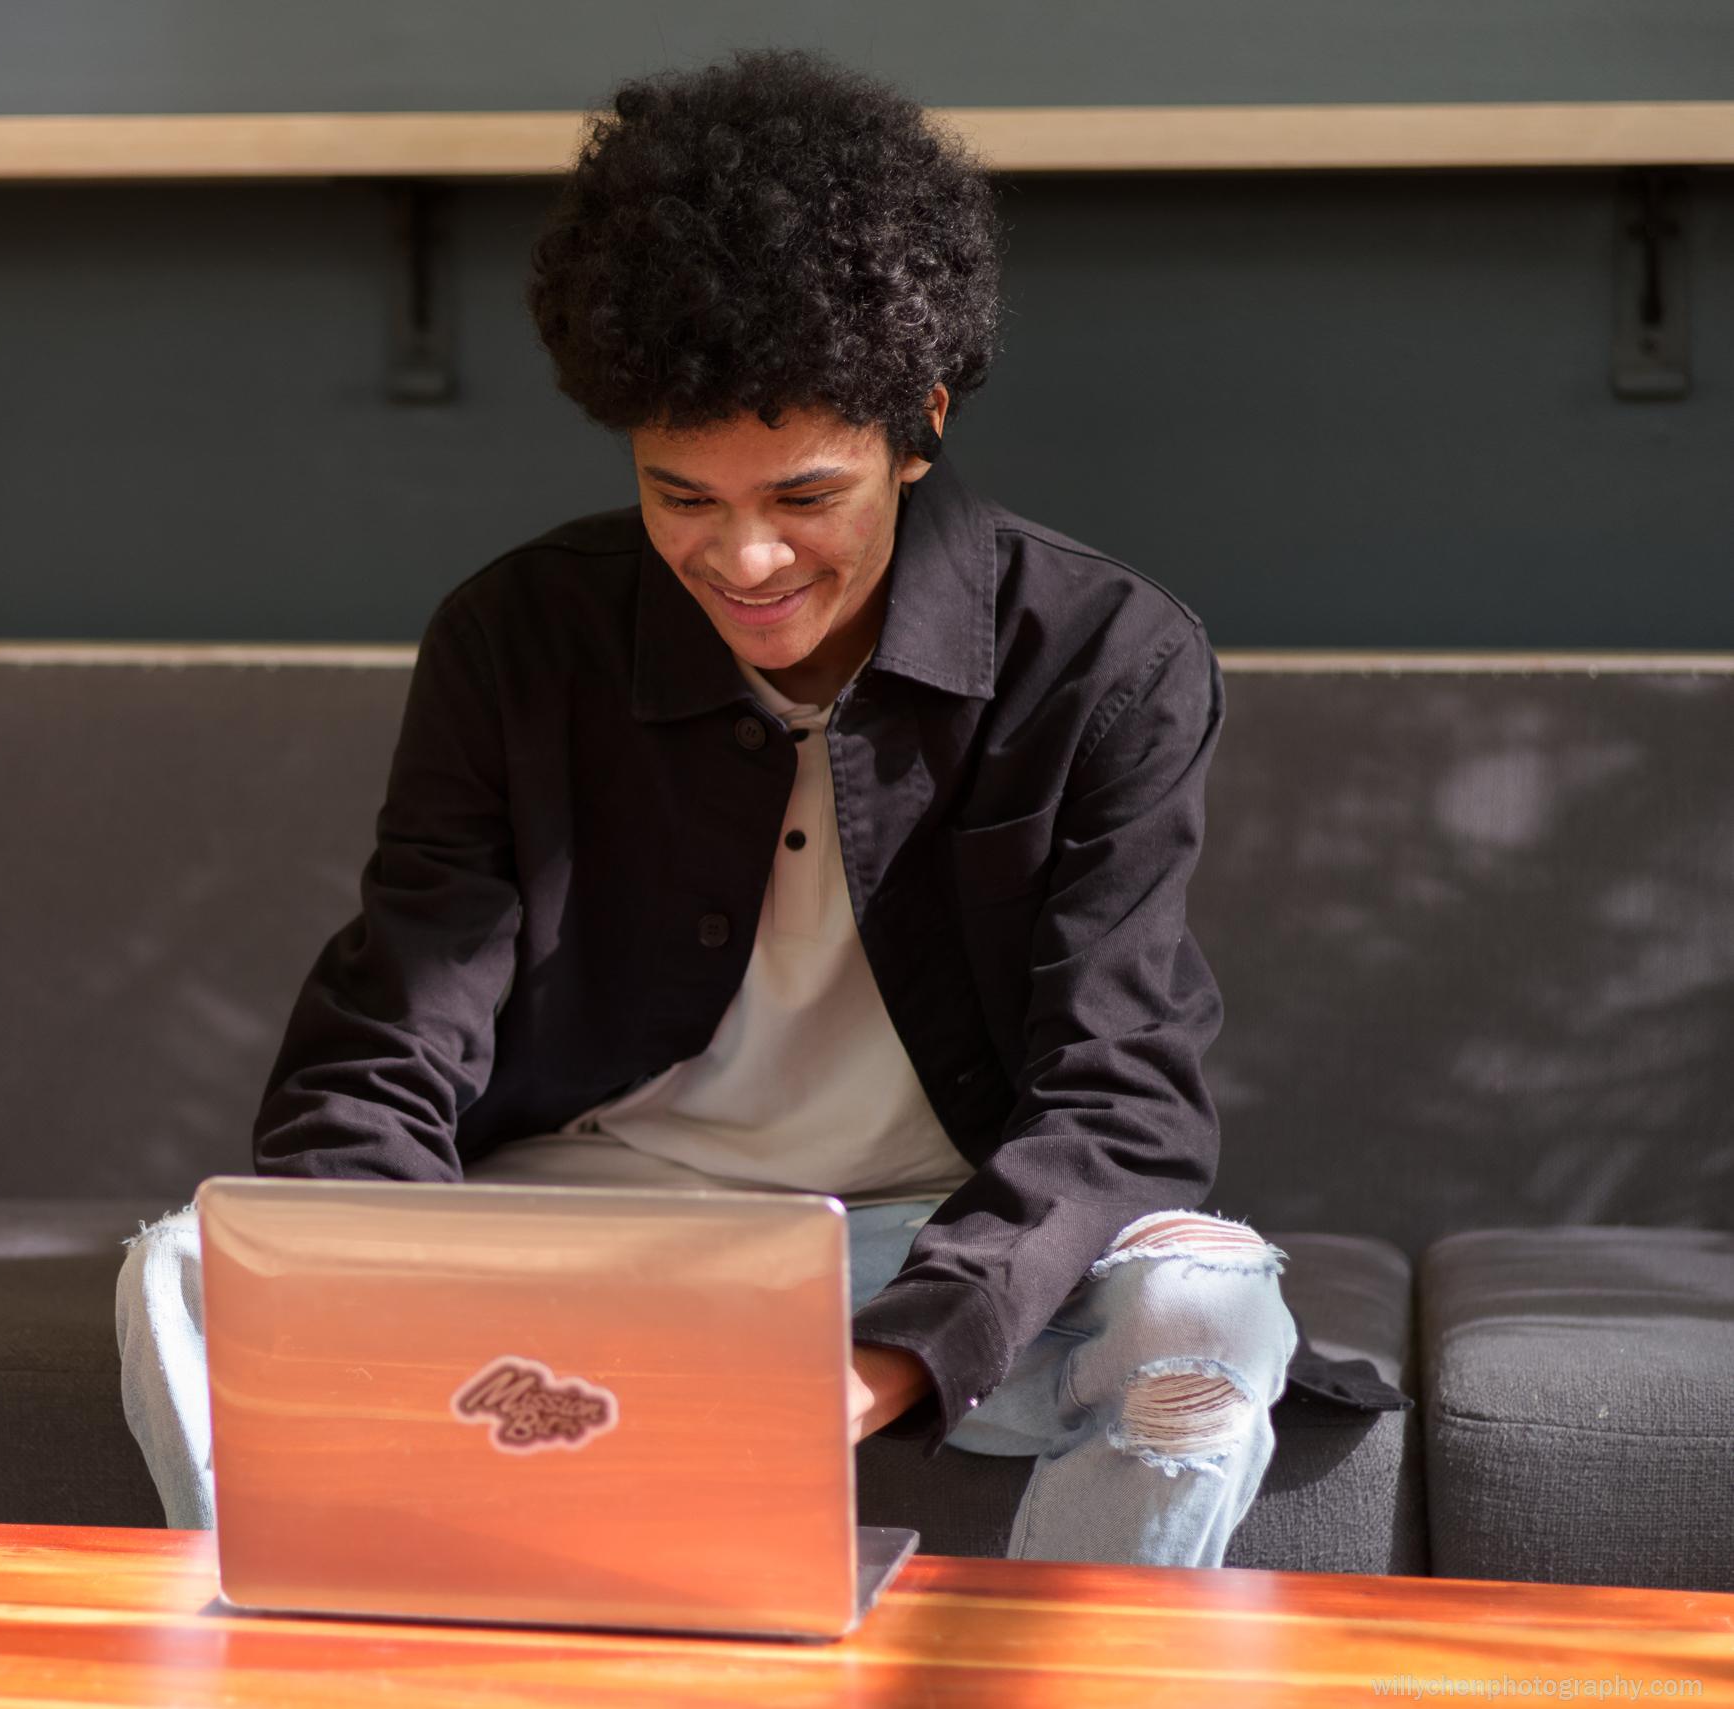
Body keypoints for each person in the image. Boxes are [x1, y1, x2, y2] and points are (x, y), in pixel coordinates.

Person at [117, 44, 1402, 1562]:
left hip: (922, 1246)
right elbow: (388, 1043)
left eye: (803, 496)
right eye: (683, 497)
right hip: (572, 1241)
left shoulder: (1110, 659)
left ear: (917, 423)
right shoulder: (515, 637)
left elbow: (1118, 1101)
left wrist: (876, 1361)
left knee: (1199, 1332)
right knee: (187, 1276)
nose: (744, 560)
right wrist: (383, 1293)